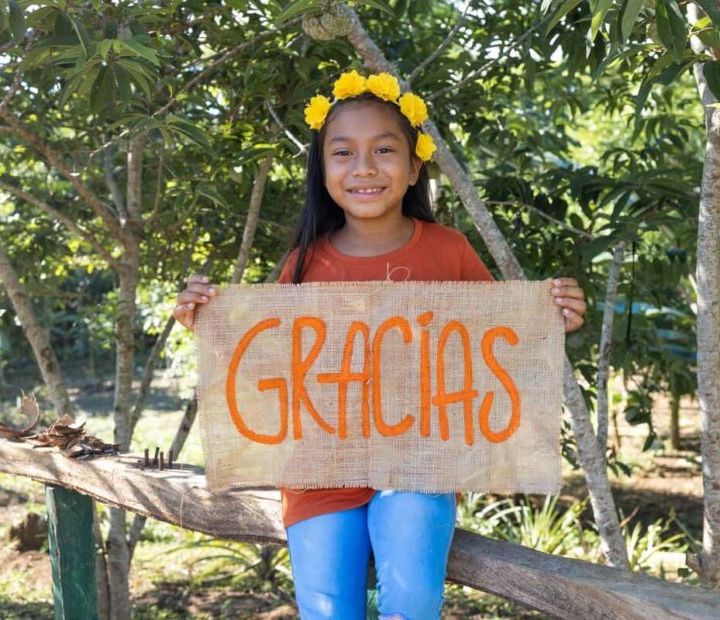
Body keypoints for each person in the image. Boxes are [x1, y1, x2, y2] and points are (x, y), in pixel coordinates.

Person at [172, 70, 587, 620]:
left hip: (419, 467)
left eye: (384, 150)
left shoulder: (449, 250)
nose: (364, 167)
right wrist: (205, 322)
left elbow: (499, 346)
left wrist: (552, 319)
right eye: (343, 152)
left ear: (415, 166)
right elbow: (270, 365)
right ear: (323, 172)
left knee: (413, 603)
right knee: (327, 611)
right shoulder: (303, 264)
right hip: (319, 471)